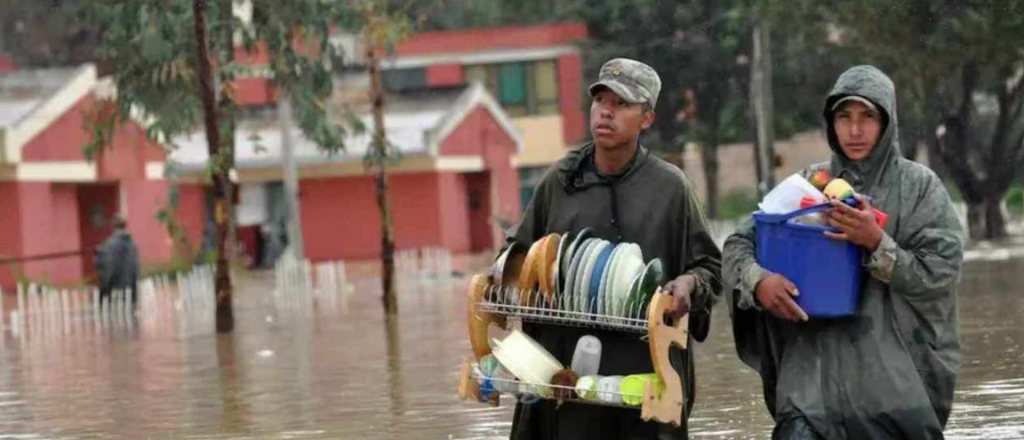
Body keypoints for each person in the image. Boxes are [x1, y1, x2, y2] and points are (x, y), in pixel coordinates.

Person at [722, 65, 965, 439]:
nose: (855, 130)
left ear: (887, 122)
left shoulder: (919, 189)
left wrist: (877, 244)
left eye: (867, 117)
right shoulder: (808, 185)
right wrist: (758, 282)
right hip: (809, 398)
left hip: (894, 401)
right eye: (844, 117)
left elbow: (941, 273)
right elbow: (738, 245)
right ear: (830, 123)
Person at [507, 58, 723, 440]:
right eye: (601, 100)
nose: (606, 112)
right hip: (564, 382)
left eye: (622, 104)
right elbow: (516, 260)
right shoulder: (559, 181)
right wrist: (505, 273)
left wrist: (689, 285)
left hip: (643, 378)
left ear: (647, 119)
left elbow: (709, 267)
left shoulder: (670, 189)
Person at [95, 215, 141, 305]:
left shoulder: (108, 245)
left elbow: (106, 269)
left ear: (113, 227)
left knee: (116, 317)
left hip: (115, 292)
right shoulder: (133, 245)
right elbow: (136, 269)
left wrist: (104, 289)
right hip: (131, 292)